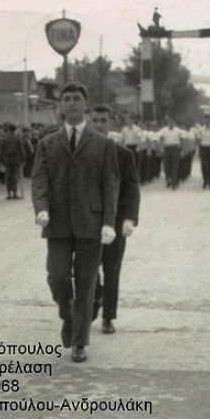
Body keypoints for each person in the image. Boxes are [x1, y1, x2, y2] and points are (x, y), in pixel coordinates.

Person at [31, 83, 119, 363]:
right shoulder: (47, 144)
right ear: (60, 106)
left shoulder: (103, 144)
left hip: (91, 223)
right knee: (57, 277)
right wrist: (41, 209)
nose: (71, 103)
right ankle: (69, 316)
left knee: (86, 282)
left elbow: (110, 185)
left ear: (85, 104)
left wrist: (109, 222)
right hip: (57, 222)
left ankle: (79, 342)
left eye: (76, 99)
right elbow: (39, 181)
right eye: (66, 99)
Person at [89, 105, 140, 335]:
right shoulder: (82, 153)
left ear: (111, 123)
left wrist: (129, 218)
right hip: (89, 221)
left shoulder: (123, 154)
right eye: (95, 120)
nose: (99, 125)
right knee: (87, 268)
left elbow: (132, 189)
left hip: (116, 221)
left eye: (103, 120)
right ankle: (96, 297)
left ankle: (108, 317)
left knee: (111, 270)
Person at [0, 124, 28, 199]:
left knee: (8, 177)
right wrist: (24, 159)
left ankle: (9, 194)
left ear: (8, 130)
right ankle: (15, 194)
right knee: (14, 176)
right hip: (16, 159)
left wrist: (1, 160)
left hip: (7, 160)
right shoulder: (17, 139)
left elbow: (1, 151)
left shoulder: (4, 139)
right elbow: (22, 150)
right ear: (15, 130)